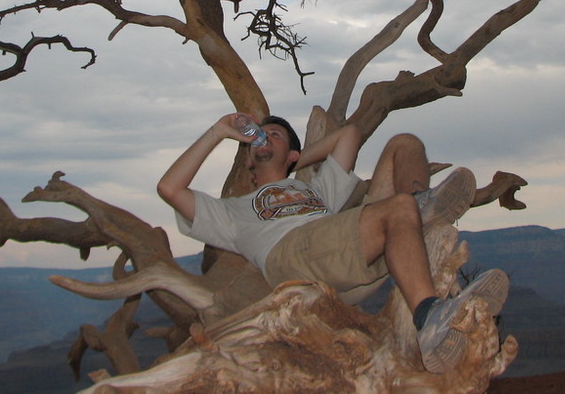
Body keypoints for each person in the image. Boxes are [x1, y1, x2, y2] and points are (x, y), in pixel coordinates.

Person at [157, 112, 508, 374]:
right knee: (399, 209)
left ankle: (420, 208)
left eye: (273, 135)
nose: (262, 139)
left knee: (404, 143)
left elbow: (350, 135)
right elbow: (169, 188)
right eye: (256, 139)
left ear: (294, 154)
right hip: (293, 260)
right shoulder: (232, 211)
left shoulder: (315, 190)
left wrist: (294, 159)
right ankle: (430, 316)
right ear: (247, 159)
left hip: (344, 255)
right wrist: (219, 131)